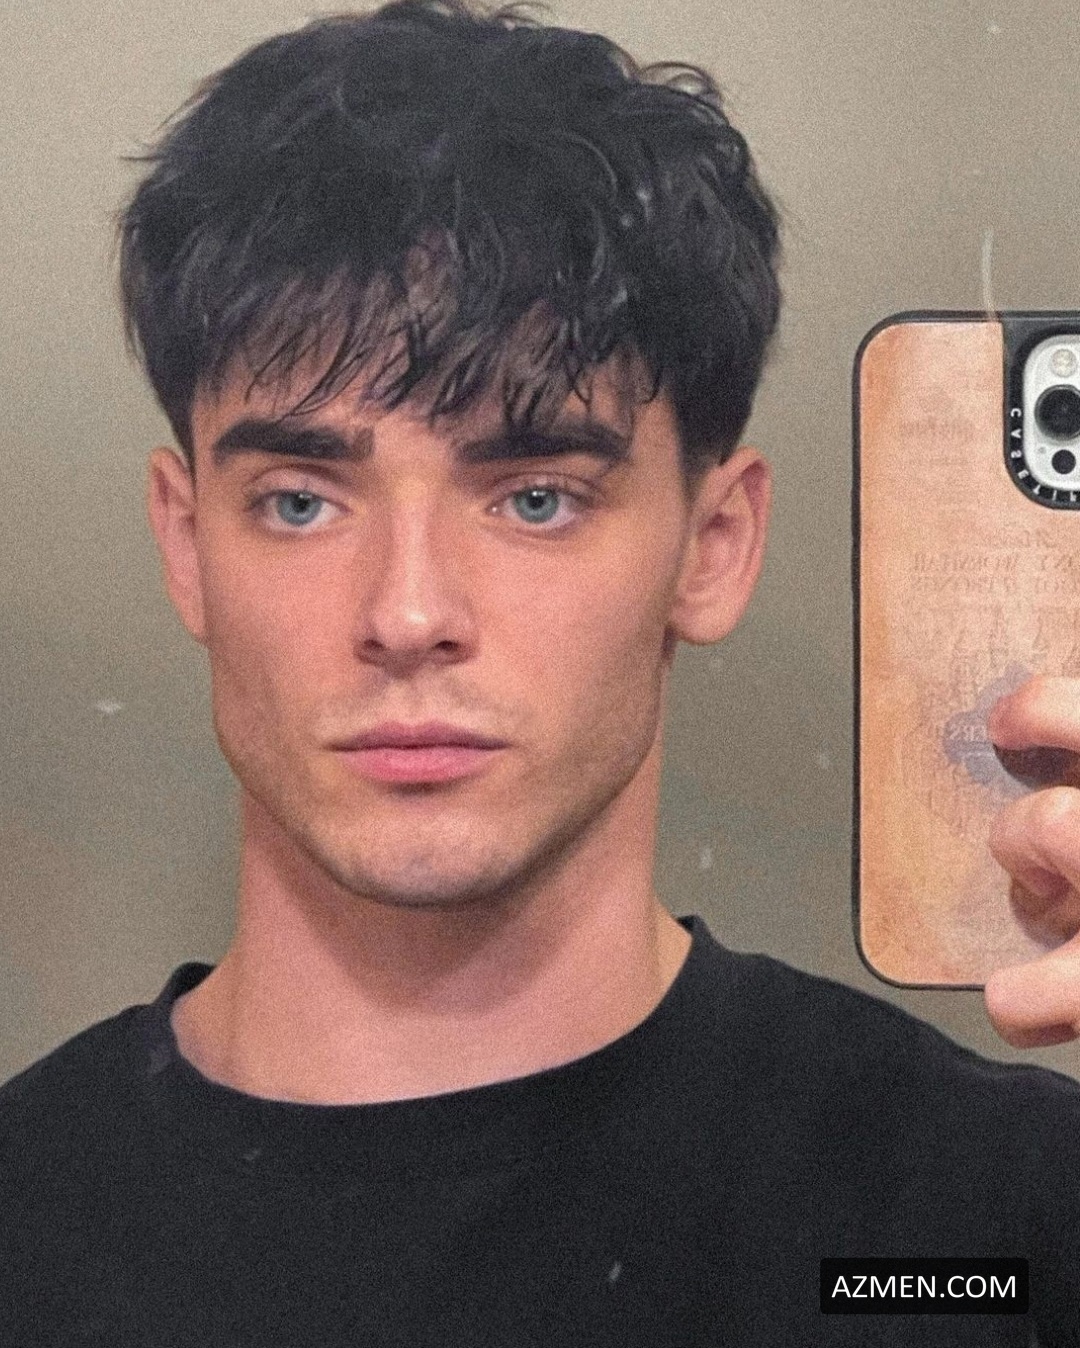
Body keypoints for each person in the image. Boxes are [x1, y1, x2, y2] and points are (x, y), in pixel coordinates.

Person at [2, 0, 1079, 1341]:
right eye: (299, 501)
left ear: (714, 546)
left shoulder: (1001, 1216)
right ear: (185, 545)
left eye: (535, 499)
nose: (408, 613)